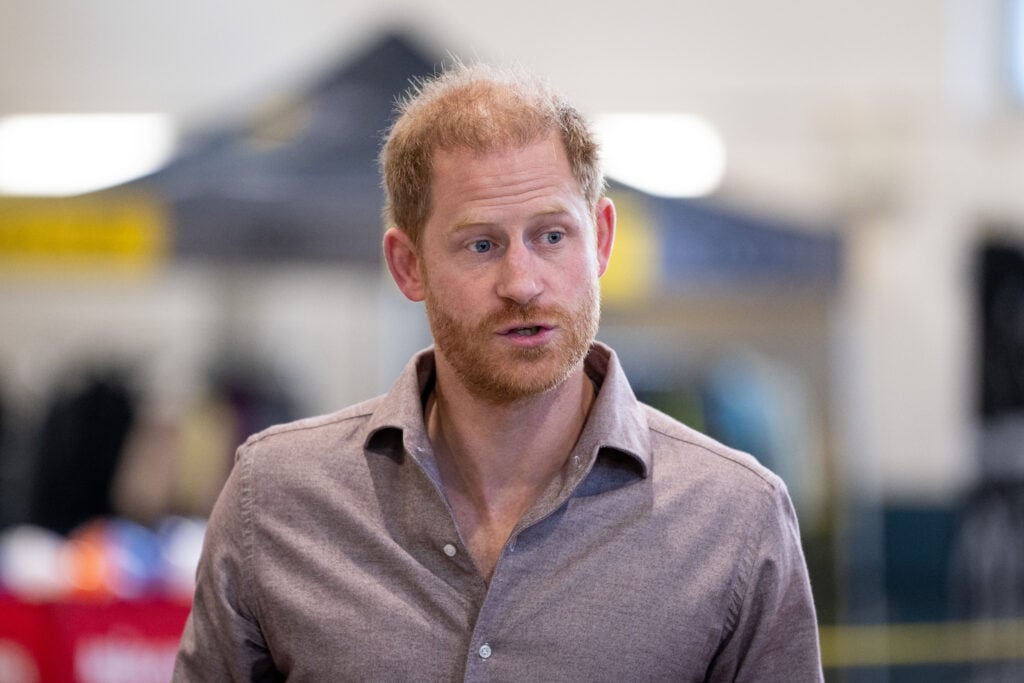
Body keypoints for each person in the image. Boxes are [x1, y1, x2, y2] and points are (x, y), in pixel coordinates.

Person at [173, 62, 823, 681]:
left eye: (551, 236)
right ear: (408, 266)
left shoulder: (737, 519)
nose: (522, 282)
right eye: (481, 244)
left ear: (599, 239)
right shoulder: (277, 501)